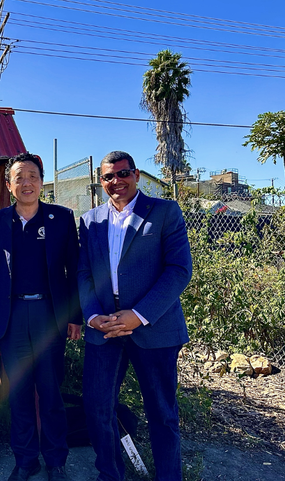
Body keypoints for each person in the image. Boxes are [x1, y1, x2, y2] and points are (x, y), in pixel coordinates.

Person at [78, 151, 192, 481]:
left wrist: (139, 315)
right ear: (101, 182)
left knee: (162, 413)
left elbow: (179, 270)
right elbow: (84, 273)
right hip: (105, 329)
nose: (117, 181)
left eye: (123, 173)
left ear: (137, 175)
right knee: (98, 409)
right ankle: (110, 475)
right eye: (108, 177)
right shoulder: (90, 220)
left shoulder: (164, 212)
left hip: (153, 329)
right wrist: (92, 317)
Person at [0, 152, 82, 481]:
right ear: (9, 185)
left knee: (50, 391)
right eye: (19, 177)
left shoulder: (62, 218)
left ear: (42, 182)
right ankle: (25, 460)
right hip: (11, 316)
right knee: (19, 392)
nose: (27, 183)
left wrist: (74, 316)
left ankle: (55, 461)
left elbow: (74, 270)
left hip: (49, 314)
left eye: (33, 176)